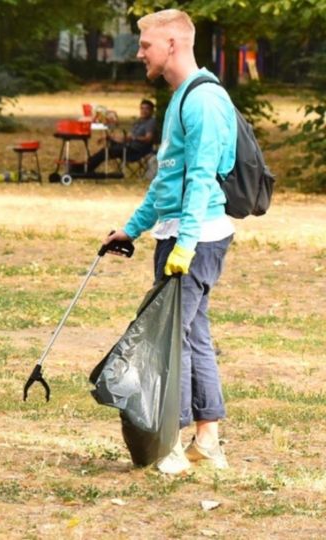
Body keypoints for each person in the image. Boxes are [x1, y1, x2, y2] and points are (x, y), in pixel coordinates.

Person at [102, 8, 237, 475]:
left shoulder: (200, 101)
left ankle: (172, 448)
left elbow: (201, 179)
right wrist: (133, 228)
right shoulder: (187, 96)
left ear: (173, 44)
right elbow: (168, 182)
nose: (139, 53)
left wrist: (184, 247)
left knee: (171, 342)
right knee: (194, 335)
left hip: (191, 238)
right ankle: (207, 440)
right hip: (188, 233)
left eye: (146, 46)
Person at [86, 99, 156, 173]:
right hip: (127, 146)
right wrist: (110, 138)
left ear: (152, 111)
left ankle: (87, 169)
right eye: (142, 108)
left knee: (106, 152)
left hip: (136, 150)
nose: (144, 111)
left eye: (147, 109)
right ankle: (85, 166)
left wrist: (134, 138)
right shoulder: (139, 122)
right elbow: (127, 138)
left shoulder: (151, 122)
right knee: (106, 149)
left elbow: (148, 138)